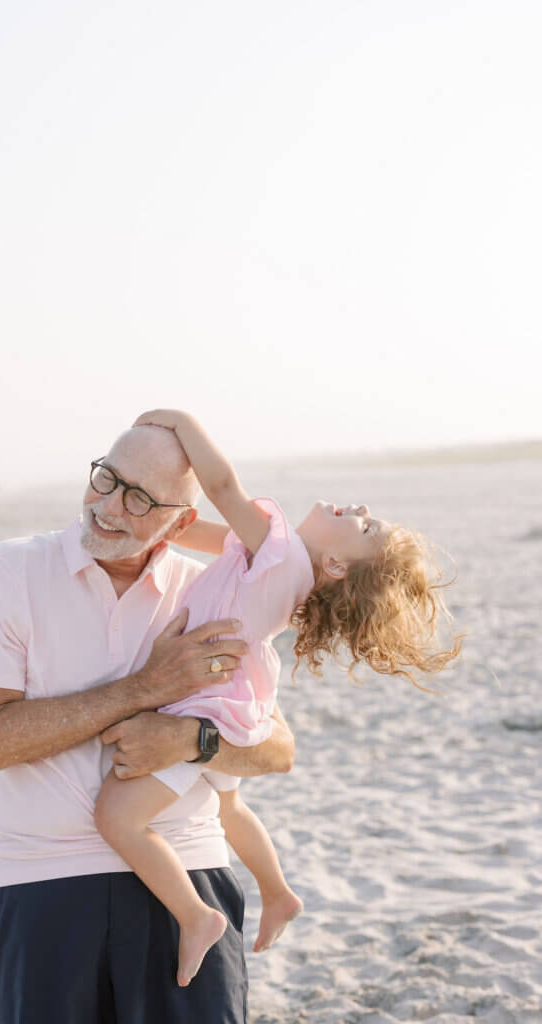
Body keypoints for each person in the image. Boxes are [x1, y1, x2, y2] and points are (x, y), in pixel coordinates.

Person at [0, 422, 297, 1024]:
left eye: (141, 498)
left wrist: (190, 739)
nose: (108, 506)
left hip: (188, 875)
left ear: (182, 523)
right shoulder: (9, 570)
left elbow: (277, 750)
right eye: (107, 478)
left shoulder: (208, 591)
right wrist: (145, 689)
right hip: (36, 877)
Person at [94, 408, 464, 988]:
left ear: (336, 564)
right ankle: (277, 891)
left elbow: (221, 487)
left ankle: (194, 916)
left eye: (367, 528)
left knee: (117, 816)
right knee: (229, 808)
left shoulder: (279, 547)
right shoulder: (280, 566)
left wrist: (183, 424)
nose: (361, 509)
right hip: (234, 694)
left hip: (205, 698)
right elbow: (183, 529)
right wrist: (137, 511)